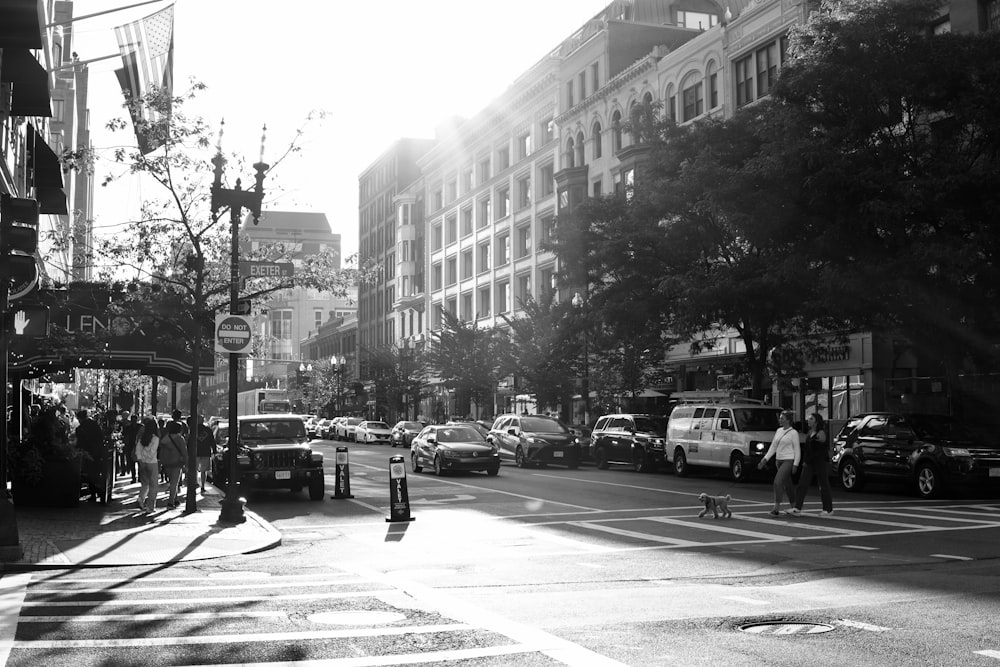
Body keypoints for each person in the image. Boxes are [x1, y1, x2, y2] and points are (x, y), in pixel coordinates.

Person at [757, 410, 800, 516]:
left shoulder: (794, 433)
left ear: (788, 420)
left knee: (778, 481)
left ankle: (776, 508)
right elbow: (773, 446)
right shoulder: (779, 430)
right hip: (778, 460)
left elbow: (797, 449)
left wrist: (795, 464)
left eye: (782, 418)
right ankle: (795, 506)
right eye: (780, 418)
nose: (780, 420)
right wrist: (765, 459)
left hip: (788, 460)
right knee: (788, 484)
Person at [791, 413, 834, 517]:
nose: (808, 420)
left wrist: (817, 439)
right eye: (808, 419)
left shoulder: (821, 432)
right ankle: (797, 507)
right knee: (802, 483)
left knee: (823, 484)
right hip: (810, 462)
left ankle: (828, 509)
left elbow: (821, 443)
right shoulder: (810, 432)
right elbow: (808, 450)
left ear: (816, 421)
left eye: (811, 419)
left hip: (820, 461)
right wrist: (806, 460)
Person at [75, 409, 109, 503]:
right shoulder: (95, 425)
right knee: (96, 473)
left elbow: (80, 442)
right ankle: (98, 493)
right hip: (97, 452)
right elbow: (101, 437)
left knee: (89, 473)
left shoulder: (81, 428)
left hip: (88, 453)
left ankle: (94, 493)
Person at [159, 420, 188, 509]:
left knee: (172, 481)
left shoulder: (165, 438)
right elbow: (184, 451)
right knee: (174, 483)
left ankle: (175, 500)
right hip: (177, 462)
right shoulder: (180, 438)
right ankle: (170, 502)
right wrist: (187, 464)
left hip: (166, 462)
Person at [134, 417, 160, 513]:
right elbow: (153, 451)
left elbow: (138, 450)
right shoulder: (155, 438)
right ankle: (150, 506)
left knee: (145, 483)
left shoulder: (142, 438)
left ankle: (141, 499)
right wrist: (148, 458)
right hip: (152, 463)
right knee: (153, 486)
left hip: (142, 463)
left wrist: (141, 460)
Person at [194, 414, 217, 493]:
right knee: (204, 471)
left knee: (194, 469)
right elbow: (212, 441)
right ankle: (202, 486)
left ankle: (195, 483)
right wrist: (214, 450)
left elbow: (189, 441)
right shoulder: (208, 430)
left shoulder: (194, 429)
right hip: (206, 452)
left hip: (195, 452)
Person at [122, 413, 142, 484]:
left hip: (138, 446)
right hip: (131, 446)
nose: (134, 421)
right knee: (132, 463)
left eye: (135, 419)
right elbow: (124, 436)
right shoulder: (129, 427)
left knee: (139, 462)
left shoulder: (140, 427)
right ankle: (134, 477)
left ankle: (138, 477)